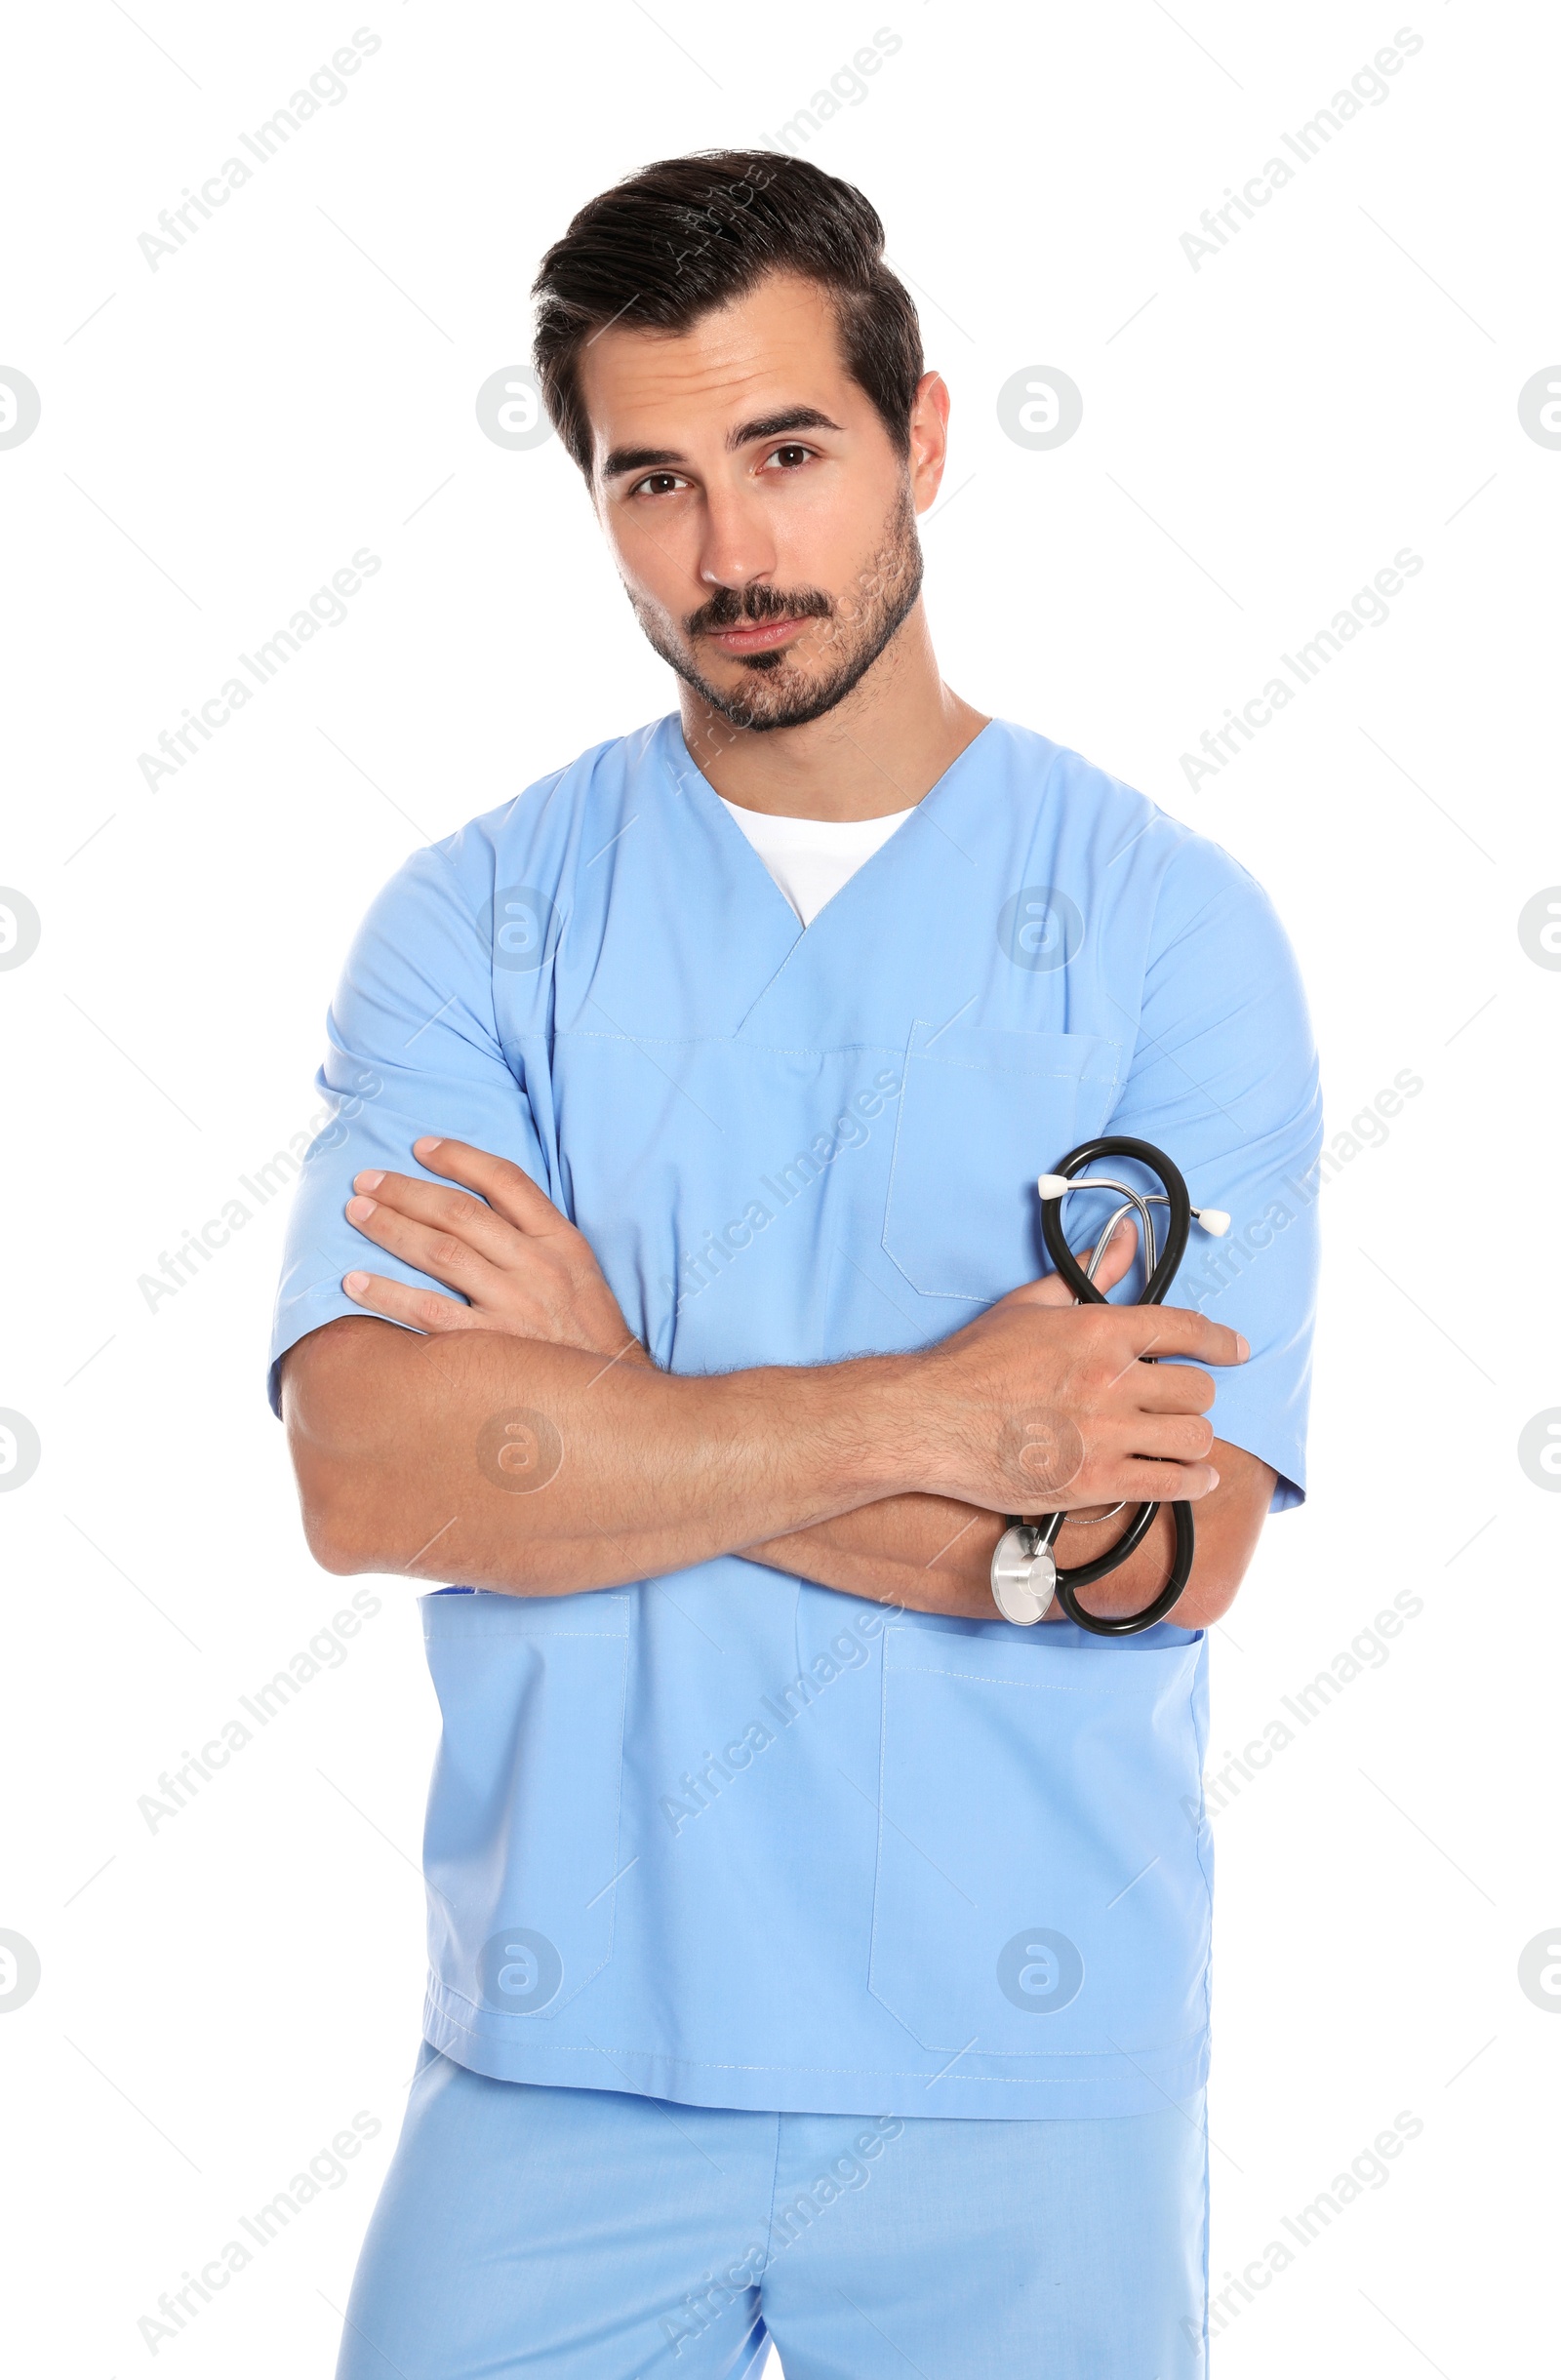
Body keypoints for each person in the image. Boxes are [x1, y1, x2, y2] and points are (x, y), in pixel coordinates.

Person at [272, 149, 1321, 2379]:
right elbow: (369, 1469)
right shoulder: (481, 925)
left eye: (785, 453)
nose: (729, 553)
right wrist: (959, 1426)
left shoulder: (1164, 932)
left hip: (1026, 2085)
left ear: (919, 438)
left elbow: (1167, 1539)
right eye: (651, 479)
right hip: (562, 2058)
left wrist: (600, 1401)